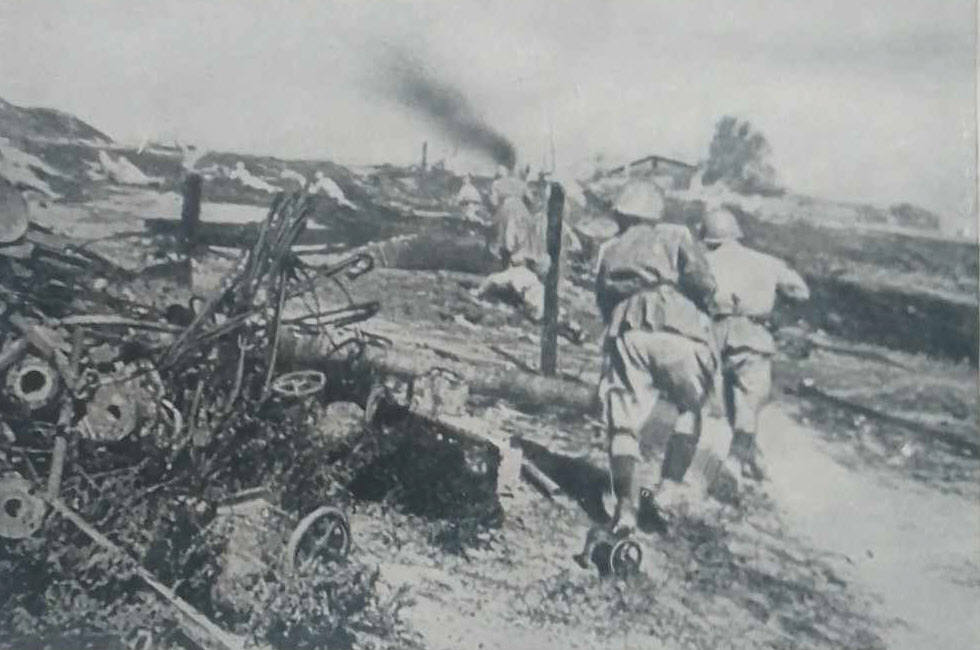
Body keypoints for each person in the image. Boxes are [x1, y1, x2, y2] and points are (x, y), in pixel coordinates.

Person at [595, 180, 732, 535]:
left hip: (628, 331)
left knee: (623, 421)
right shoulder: (675, 236)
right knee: (693, 408)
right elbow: (704, 284)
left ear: (621, 214)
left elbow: (603, 302)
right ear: (654, 213)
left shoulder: (610, 248)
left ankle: (625, 508)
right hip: (679, 330)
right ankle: (668, 490)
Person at [700, 206, 810, 481]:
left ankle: (750, 463)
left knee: (726, 403)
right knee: (748, 404)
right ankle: (737, 465)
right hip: (752, 335)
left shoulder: (703, 260)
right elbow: (800, 292)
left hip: (713, 332)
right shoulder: (766, 262)